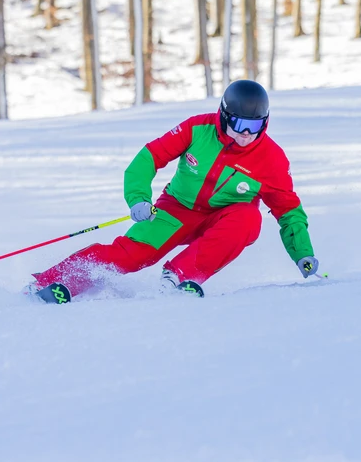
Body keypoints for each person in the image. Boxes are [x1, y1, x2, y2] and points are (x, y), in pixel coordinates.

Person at [30, 80, 319, 303]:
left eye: (255, 126)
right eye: (240, 124)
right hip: (176, 209)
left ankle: (179, 278)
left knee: (249, 219)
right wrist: (139, 198)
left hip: (225, 218)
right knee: (131, 255)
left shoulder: (271, 158)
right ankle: (51, 283)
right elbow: (147, 159)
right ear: (224, 115)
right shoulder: (197, 129)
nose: (246, 134)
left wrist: (302, 253)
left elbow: (289, 212)